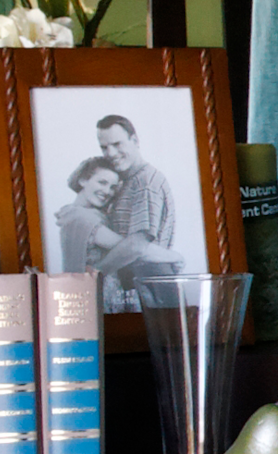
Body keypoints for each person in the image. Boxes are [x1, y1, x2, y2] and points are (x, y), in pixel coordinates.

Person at [90, 113, 183, 309]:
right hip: (137, 286)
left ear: (135, 140)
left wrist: (93, 274)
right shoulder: (124, 181)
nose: (111, 153)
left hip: (153, 284)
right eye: (104, 147)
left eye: (117, 144)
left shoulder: (145, 182)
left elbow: (137, 245)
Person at [54, 159, 123, 275]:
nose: (107, 191)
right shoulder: (81, 217)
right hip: (94, 289)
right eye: (102, 182)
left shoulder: (85, 214)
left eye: (113, 187)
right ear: (83, 180)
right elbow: (128, 248)